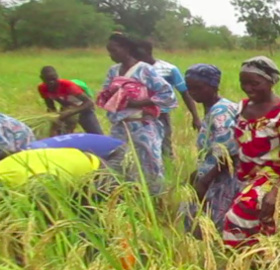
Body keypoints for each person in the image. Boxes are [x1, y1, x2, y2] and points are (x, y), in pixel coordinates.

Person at [223, 56, 280, 248]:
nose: (248, 88)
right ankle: (259, 266)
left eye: (255, 83)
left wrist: (277, 192)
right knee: (260, 227)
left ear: (270, 81)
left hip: (274, 175)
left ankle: (239, 264)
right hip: (244, 175)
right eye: (243, 83)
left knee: (238, 218)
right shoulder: (242, 107)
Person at [98, 32, 177, 196]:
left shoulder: (145, 70)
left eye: (114, 50)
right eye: (109, 51)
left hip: (142, 126)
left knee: (150, 166)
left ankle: (156, 201)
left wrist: (138, 103)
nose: (111, 55)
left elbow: (167, 94)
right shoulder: (113, 72)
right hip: (120, 127)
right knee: (119, 164)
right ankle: (125, 198)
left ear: (126, 48)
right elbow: (105, 94)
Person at [180, 63, 240, 233]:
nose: (192, 92)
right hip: (212, 174)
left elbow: (229, 152)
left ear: (214, 86)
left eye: (198, 87)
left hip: (223, 178)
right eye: (189, 88)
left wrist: (205, 180)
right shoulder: (211, 110)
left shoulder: (221, 111)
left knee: (216, 226)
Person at [138, 40, 202, 157]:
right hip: (138, 115)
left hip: (161, 115)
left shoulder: (169, 69)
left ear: (147, 51)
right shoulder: (136, 70)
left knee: (165, 148)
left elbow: (184, 93)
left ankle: (168, 171)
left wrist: (195, 117)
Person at [24, 133, 129, 177]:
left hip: (115, 151)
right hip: (92, 148)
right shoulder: (31, 149)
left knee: (107, 185)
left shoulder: (45, 154)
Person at [38, 66, 104, 136]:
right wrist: (54, 118)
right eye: (47, 80)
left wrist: (70, 112)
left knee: (96, 134)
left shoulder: (67, 85)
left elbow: (89, 102)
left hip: (83, 109)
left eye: (54, 79)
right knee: (62, 136)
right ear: (42, 78)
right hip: (66, 109)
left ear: (58, 76)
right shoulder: (43, 88)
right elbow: (50, 107)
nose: (51, 82)